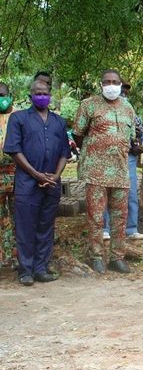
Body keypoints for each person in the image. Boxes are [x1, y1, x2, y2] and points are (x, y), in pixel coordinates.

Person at [3, 79, 71, 285]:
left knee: (46, 226)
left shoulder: (59, 122)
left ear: (50, 95)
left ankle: (41, 268)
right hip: (27, 182)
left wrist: (56, 176)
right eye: (37, 93)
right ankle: (25, 270)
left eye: (45, 93)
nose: (41, 96)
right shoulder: (19, 119)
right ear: (30, 95)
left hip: (51, 183)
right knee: (25, 226)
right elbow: (14, 150)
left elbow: (64, 153)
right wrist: (36, 174)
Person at [73, 69, 137, 274]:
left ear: (120, 84)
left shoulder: (128, 108)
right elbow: (78, 135)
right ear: (101, 85)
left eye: (115, 82)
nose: (111, 85)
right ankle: (96, 256)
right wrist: (97, 149)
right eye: (107, 82)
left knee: (120, 216)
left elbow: (132, 137)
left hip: (120, 171)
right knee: (96, 216)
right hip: (96, 171)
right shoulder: (88, 105)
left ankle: (117, 258)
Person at [102, 81, 143, 242]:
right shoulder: (104, 112)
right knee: (107, 192)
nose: (124, 96)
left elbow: (139, 139)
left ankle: (131, 229)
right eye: (122, 92)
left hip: (129, 158)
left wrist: (138, 146)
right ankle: (105, 229)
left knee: (131, 193)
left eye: (126, 93)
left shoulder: (133, 114)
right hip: (108, 157)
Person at [0, 82, 18, 268]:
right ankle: (3, 257)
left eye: (2, 94)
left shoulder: (20, 116)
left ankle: (18, 255)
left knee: (18, 215)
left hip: (17, 174)